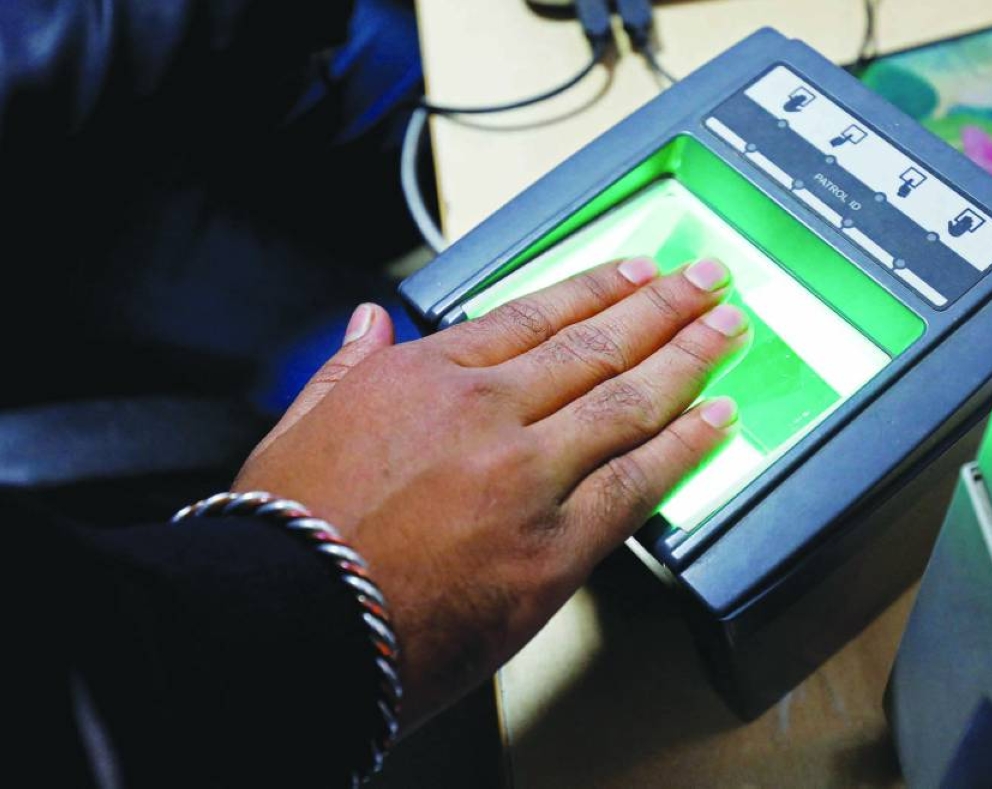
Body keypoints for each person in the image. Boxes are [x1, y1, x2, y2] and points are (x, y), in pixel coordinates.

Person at [6, 2, 751, 786]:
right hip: (62, 226)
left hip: (123, 83)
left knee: (413, 77)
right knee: (400, 350)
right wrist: (307, 590)